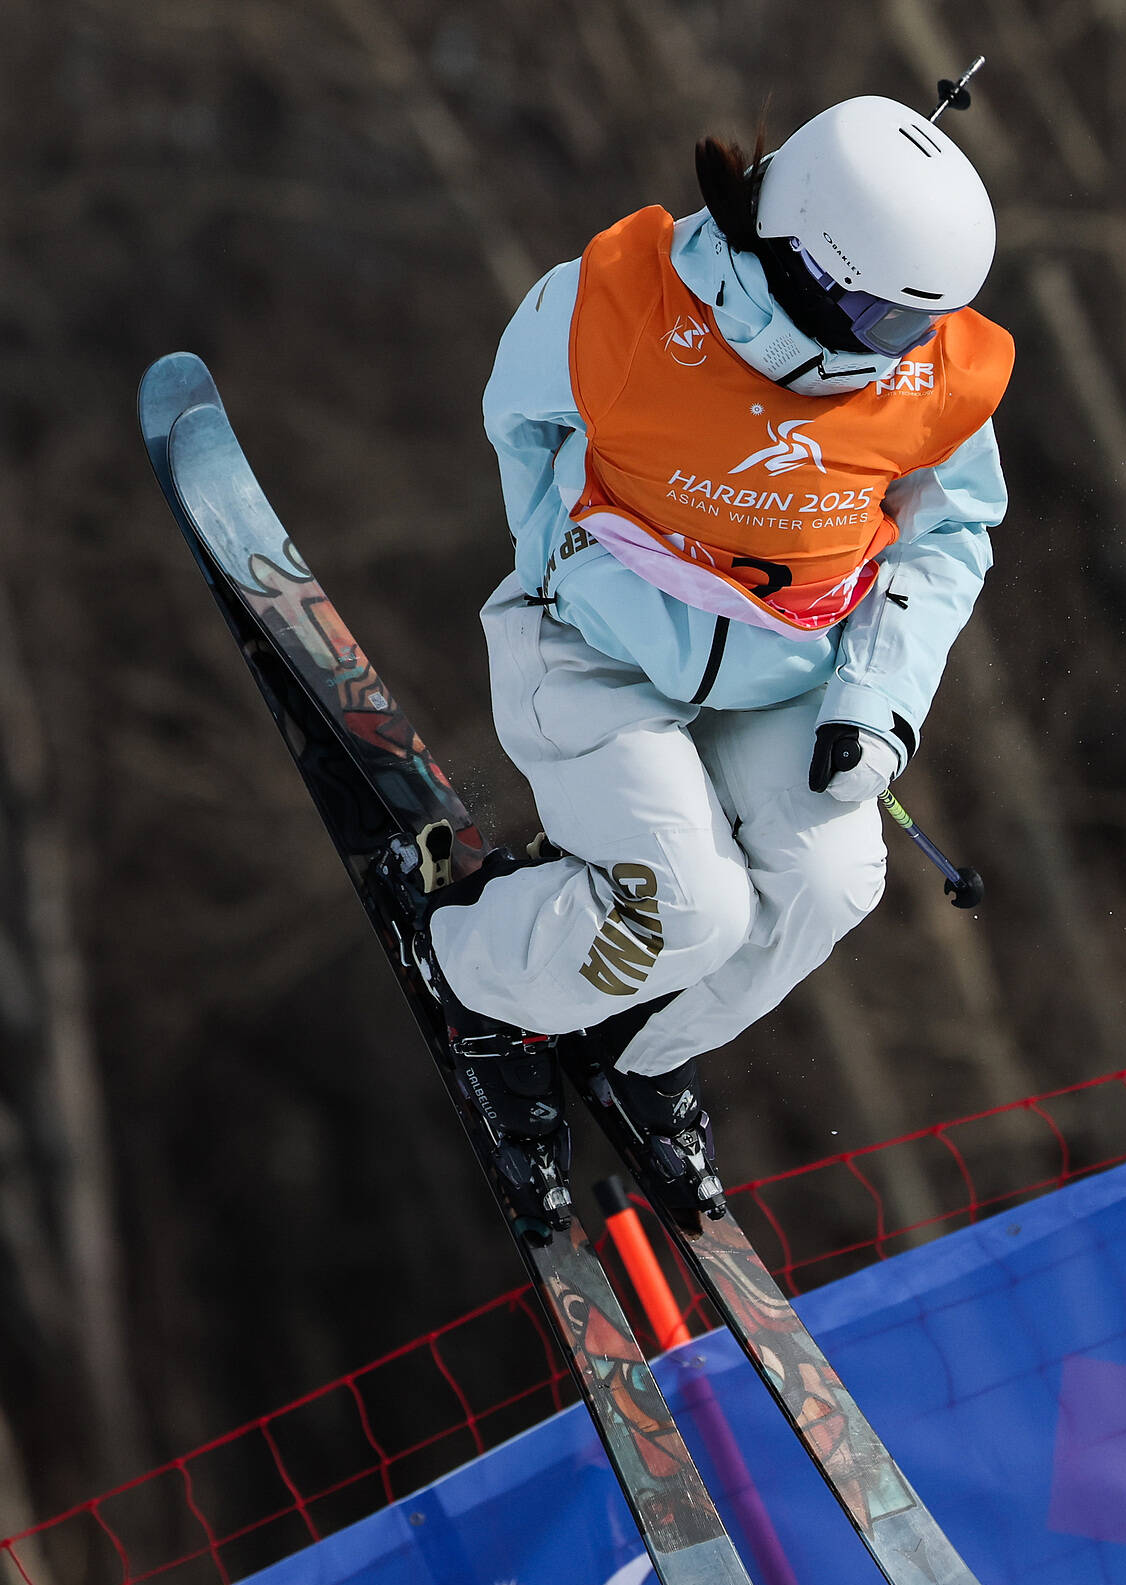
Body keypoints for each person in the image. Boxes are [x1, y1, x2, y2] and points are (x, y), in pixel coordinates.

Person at [385, 94, 1013, 1233]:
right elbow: (517, 417)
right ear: (804, 259)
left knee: (831, 883)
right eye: (874, 318)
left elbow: (951, 529)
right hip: (591, 654)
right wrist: (562, 558)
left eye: (913, 325)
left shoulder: (929, 376)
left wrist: (875, 701)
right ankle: (472, 981)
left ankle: (634, 1045)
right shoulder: (622, 307)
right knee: (693, 906)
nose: (892, 351)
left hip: (778, 674)